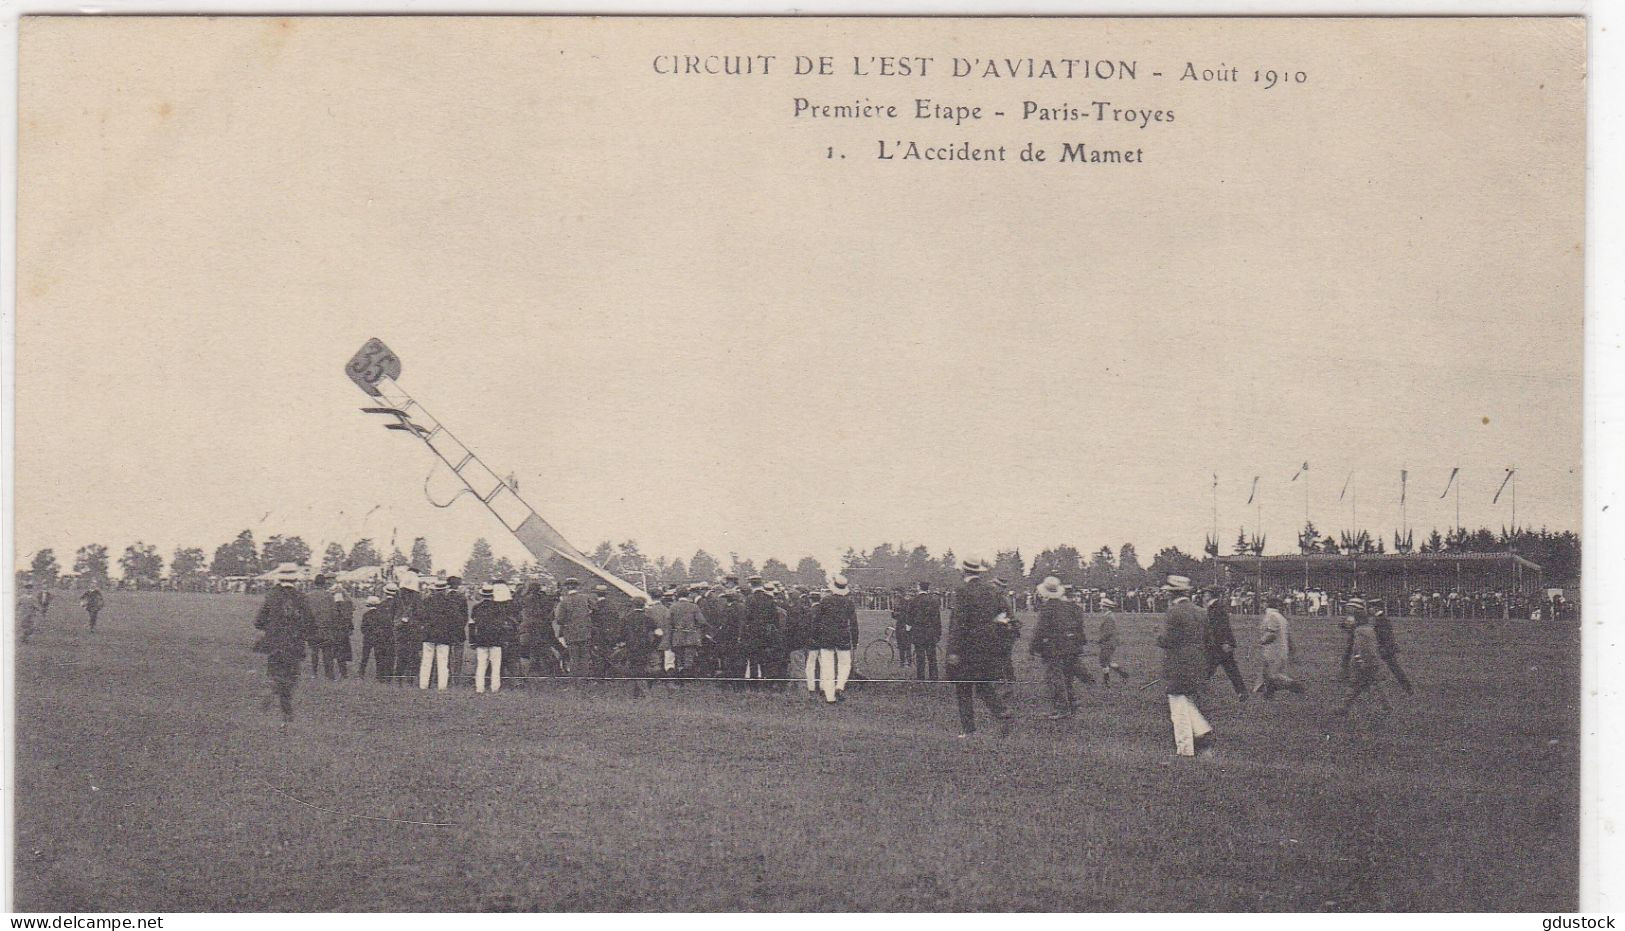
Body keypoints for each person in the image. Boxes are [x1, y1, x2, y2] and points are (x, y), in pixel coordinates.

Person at [947, 558, 1012, 738]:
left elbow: (958, 624)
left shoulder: (962, 592)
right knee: (983, 685)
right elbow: (1001, 616)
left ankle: (969, 730)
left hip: (966, 647)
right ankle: (1001, 712)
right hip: (985, 646)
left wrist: (953, 651)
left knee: (963, 689)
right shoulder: (989, 591)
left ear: (963, 572)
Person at [1157, 575, 1215, 758]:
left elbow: (1167, 640)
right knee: (1185, 700)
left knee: (1178, 708)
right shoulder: (1201, 612)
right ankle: (1201, 729)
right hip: (1198, 662)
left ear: (1172, 593)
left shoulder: (1173, 613)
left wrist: (1158, 637)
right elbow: (1209, 640)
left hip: (1178, 664)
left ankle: (1185, 750)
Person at [254, 578, 316, 729]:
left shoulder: (272, 596)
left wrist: (271, 628)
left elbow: (258, 621)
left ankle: (272, 688)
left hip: (275, 644)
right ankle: (286, 716)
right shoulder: (301, 597)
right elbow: (310, 622)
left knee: (274, 673)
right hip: (294, 645)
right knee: (290, 679)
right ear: (295, 580)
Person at [1030, 577, 1085, 719]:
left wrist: (1033, 647)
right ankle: (1072, 703)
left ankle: (1062, 709)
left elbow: (1039, 630)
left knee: (1054, 678)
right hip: (1069, 647)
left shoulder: (1047, 608)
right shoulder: (1066, 606)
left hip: (1053, 648)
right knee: (1066, 677)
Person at [810, 574, 858, 703]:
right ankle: (840, 686)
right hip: (843, 637)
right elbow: (853, 623)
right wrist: (855, 640)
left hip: (826, 637)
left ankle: (830, 697)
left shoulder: (825, 601)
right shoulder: (849, 603)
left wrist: (815, 636)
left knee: (827, 667)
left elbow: (817, 621)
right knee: (845, 664)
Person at [1203, 587, 1248, 701]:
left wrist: (1225, 642)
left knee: (1207, 669)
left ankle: (1196, 691)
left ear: (1211, 594)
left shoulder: (1216, 607)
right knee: (1230, 669)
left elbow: (1221, 627)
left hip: (1219, 644)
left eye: (1206, 593)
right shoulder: (1214, 606)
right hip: (1220, 644)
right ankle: (1242, 692)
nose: (1204, 595)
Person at [1342, 611, 1391, 714]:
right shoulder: (1370, 629)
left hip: (1364, 663)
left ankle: (1344, 708)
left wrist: (1360, 661)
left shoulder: (1359, 631)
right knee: (1378, 684)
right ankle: (1387, 706)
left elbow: (1362, 648)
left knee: (1355, 685)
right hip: (1374, 660)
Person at [1257, 597, 1305, 698]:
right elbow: (1289, 637)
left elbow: (1272, 634)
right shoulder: (1281, 617)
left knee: (1274, 675)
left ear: (1267, 604)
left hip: (1274, 650)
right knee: (1266, 673)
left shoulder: (1271, 616)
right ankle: (1269, 693)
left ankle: (1294, 685)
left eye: (1263, 602)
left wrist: (1261, 641)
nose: (1261, 605)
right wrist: (1292, 650)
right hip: (1282, 649)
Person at [420, 578, 463, 690]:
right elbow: (456, 619)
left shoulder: (427, 600)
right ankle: (442, 685)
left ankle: (423, 684)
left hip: (428, 634)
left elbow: (421, 617)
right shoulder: (450, 602)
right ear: (444, 589)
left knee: (426, 661)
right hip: (444, 635)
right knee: (443, 662)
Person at [742, 578, 780, 689]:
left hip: (753, 634)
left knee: (753, 660)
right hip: (766, 635)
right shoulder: (769, 599)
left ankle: (754, 685)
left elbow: (746, 618)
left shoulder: (750, 599)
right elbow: (775, 619)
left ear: (751, 585)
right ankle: (765, 683)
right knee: (764, 659)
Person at [555, 578, 594, 677]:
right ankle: (585, 679)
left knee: (574, 658)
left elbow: (559, 619)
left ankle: (575, 680)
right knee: (585, 657)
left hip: (571, 634)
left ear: (567, 587)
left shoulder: (564, 602)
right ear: (577, 586)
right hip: (585, 632)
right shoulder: (585, 598)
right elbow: (594, 609)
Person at [318, 583, 355, 680]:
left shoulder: (330, 604)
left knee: (330, 653)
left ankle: (330, 674)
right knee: (341, 654)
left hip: (333, 631)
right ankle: (343, 674)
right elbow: (349, 618)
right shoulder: (346, 605)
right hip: (342, 633)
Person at [909, 580, 942, 681]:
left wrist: (909, 630)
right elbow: (937, 618)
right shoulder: (934, 600)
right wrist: (938, 632)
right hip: (930, 631)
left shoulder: (914, 600)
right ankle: (934, 677)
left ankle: (921, 677)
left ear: (919, 587)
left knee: (920, 656)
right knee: (932, 656)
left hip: (919, 630)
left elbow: (910, 617)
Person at [358, 593, 395, 681]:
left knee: (365, 656)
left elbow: (363, 628)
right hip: (379, 638)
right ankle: (379, 675)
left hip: (368, 638)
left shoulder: (366, 615)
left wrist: (367, 633)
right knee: (379, 657)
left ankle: (361, 672)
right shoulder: (382, 615)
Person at [1096, 596, 1129, 685]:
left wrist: (1100, 640)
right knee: (1105, 661)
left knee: (1104, 661)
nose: (1101, 608)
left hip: (1108, 642)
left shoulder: (1109, 617)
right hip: (1109, 642)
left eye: (1102, 606)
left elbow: (1108, 632)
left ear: (1106, 607)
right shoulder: (1108, 616)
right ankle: (1122, 674)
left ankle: (1107, 680)